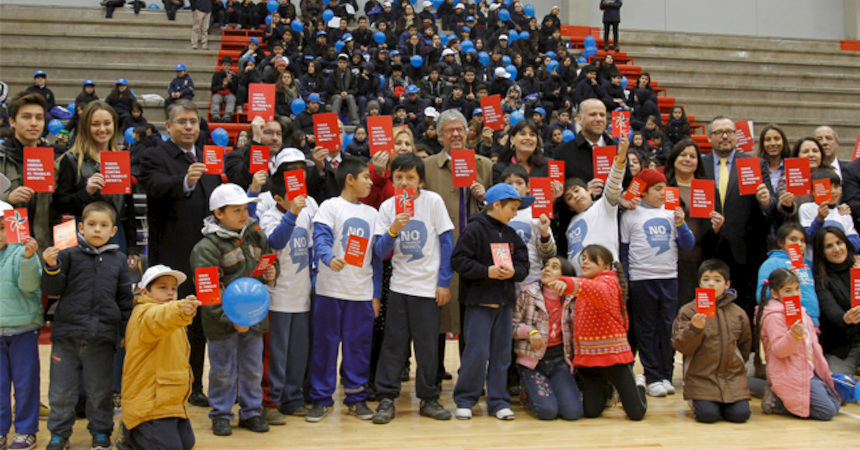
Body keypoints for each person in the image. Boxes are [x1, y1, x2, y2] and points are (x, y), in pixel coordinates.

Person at [139, 100, 223, 409]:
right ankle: (165, 384)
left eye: (193, 122)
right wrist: (185, 181)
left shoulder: (209, 156)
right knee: (172, 321)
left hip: (206, 257)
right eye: (182, 121)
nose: (189, 127)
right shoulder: (155, 156)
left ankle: (195, 384)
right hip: (172, 256)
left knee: (199, 322)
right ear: (168, 126)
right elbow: (155, 186)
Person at [41, 201, 134, 450]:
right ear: (80, 228)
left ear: (113, 231)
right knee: (61, 391)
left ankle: (101, 432)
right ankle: (59, 434)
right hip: (67, 336)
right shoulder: (67, 254)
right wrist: (51, 267)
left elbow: (125, 300)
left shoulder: (119, 260)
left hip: (102, 338)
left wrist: (125, 331)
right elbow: (52, 290)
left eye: (103, 225)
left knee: (100, 392)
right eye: (91, 224)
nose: (97, 229)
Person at [371, 154, 455, 424]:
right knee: (393, 345)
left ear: (420, 181)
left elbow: (447, 242)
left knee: (427, 347)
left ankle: (429, 398)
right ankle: (386, 398)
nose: (404, 182)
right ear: (392, 179)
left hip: (428, 288)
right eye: (398, 177)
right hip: (399, 287)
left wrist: (444, 281)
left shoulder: (433, 201)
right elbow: (380, 252)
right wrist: (393, 230)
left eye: (410, 177)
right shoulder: (387, 207)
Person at [189, 183, 278, 436]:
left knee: (253, 370)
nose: (244, 215)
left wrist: (272, 273)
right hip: (222, 324)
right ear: (218, 213)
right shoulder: (206, 248)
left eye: (245, 209)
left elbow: (268, 263)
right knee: (223, 371)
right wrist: (232, 319)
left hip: (255, 320)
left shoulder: (256, 235)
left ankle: (251, 412)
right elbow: (209, 293)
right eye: (236, 210)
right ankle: (221, 414)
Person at [307, 158, 382, 423]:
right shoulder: (330, 206)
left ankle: (356, 398)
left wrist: (376, 295)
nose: (370, 182)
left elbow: (377, 259)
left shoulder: (373, 214)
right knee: (324, 347)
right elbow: (320, 238)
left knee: (358, 348)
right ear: (350, 179)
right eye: (365, 177)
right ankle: (320, 399)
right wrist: (328, 257)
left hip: (360, 293)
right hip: (330, 291)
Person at [451, 183, 531, 421]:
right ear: (496, 205)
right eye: (512, 208)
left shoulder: (511, 234)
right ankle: (466, 399)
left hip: (505, 305)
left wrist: (513, 272)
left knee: (502, 355)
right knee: (476, 353)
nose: (515, 214)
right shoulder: (474, 229)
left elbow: (524, 265)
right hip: (479, 304)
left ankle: (498, 401)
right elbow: (459, 261)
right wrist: (487, 271)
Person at [422, 109, 492, 365]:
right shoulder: (427, 166)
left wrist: (483, 198)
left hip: (475, 251)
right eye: (449, 130)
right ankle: (435, 372)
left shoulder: (484, 165)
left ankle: (469, 372)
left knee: (470, 312)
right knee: (440, 311)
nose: (455, 134)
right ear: (440, 136)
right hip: (439, 250)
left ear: (467, 133)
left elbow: (496, 210)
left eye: (459, 129)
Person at [620, 168, 695, 397]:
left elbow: (688, 244)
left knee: (667, 327)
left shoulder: (671, 212)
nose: (663, 193)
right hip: (641, 279)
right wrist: (626, 282)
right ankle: (652, 375)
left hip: (669, 278)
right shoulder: (630, 215)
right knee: (647, 329)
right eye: (657, 189)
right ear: (643, 192)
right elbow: (624, 252)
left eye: (664, 188)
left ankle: (666, 374)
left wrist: (681, 224)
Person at [258, 150, 318, 421]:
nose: (298, 199)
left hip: (302, 295)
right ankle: (270, 401)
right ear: (278, 199)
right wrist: (292, 213)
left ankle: (292, 398)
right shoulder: (270, 216)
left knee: (297, 353)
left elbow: (312, 247)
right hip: (278, 297)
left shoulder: (307, 210)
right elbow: (275, 242)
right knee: (275, 354)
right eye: (291, 197)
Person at [559, 244, 647, 420]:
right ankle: (608, 390)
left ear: (606, 267)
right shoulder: (584, 285)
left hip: (614, 357)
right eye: (583, 258)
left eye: (591, 260)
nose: (585, 262)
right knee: (591, 412)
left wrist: (568, 282)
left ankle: (639, 385)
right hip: (590, 359)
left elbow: (598, 291)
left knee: (636, 414)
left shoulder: (609, 282)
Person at [118, 265, 201, 450]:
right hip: (149, 403)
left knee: (187, 443)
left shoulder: (175, 318)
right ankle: (129, 432)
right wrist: (180, 308)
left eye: (173, 288)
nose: (170, 292)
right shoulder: (144, 313)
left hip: (170, 400)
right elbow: (159, 317)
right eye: (162, 287)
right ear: (145, 292)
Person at [701, 116, 775, 319]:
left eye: (729, 132)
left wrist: (766, 201)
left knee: (744, 312)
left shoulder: (754, 164)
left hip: (746, 250)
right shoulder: (700, 164)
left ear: (736, 135)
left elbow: (771, 206)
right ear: (709, 138)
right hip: (709, 247)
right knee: (710, 312)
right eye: (719, 132)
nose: (725, 136)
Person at [671, 259, 752, 424]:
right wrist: (694, 329)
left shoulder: (738, 313)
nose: (711, 284)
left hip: (732, 379)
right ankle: (697, 401)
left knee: (740, 415)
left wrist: (737, 363)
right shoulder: (688, 311)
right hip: (701, 379)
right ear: (699, 283)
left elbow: (745, 345)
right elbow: (681, 346)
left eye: (717, 280)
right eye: (706, 279)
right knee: (708, 416)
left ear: (727, 284)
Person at [756, 268, 840, 420]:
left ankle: (784, 395)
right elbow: (779, 350)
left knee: (835, 406)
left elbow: (812, 345)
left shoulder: (801, 312)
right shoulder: (774, 316)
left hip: (808, 371)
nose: (794, 294)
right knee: (826, 412)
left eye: (797, 289)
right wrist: (793, 335)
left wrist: (823, 371)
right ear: (775, 293)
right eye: (788, 290)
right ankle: (776, 400)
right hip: (789, 373)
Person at [512, 256, 582, 421]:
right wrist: (529, 331)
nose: (547, 269)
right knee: (548, 412)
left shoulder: (572, 299)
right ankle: (528, 392)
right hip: (532, 363)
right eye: (546, 266)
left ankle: (549, 389)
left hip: (559, 362)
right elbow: (511, 325)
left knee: (573, 413)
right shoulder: (528, 293)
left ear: (565, 276)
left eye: (554, 267)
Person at [0, 199, 42, 450]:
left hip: (23, 329)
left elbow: (30, 286)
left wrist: (28, 259)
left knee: (26, 384)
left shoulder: (23, 252)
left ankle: (26, 430)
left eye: (1, 227)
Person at [663, 139, 724, 307]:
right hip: (670, 260)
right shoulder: (664, 187)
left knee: (701, 310)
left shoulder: (708, 190)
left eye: (692, 156)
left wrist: (717, 228)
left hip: (700, 260)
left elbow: (715, 232)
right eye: (683, 155)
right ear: (674, 158)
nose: (687, 159)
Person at [560, 135, 628, 274]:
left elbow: (613, 184)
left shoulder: (604, 206)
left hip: (605, 276)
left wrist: (620, 159)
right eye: (569, 197)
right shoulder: (570, 225)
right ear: (569, 207)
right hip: (580, 281)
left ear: (589, 190)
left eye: (577, 190)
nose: (575, 196)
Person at [0, 93, 53, 251]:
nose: (34, 123)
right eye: (26, 117)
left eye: (39, 118)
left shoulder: (52, 160)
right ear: (12, 121)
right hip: (6, 247)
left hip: (41, 246)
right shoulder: (1, 157)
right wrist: (7, 199)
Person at [812, 226, 860, 377]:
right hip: (843, 345)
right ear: (822, 252)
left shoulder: (858, 264)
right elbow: (829, 308)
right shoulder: (819, 277)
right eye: (829, 246)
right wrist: (845, 318)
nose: (837, 249)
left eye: (839, 243)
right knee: (837, 384)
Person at [799, 168, 860, 254]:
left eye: (836, 187)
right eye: (828, 187)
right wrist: (819, 219)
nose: (833, 191)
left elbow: (856, 242)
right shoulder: (807, 208)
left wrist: (839, 246)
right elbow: (807, 239)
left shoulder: (843, 212)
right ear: (814, 191)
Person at [492, 120, 549, 185]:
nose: (528, 138)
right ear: (512, 139)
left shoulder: (548, 166)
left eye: (532, 135)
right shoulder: (500, 169)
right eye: (523, 134)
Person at [210, 56, 238, 123]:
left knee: (231, 99)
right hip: (219, 93)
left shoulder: (234, 76)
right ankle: (215, 116)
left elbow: (235, 90)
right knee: (215, 98)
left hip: (229, 94)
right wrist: (223, 85)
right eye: (225, 65)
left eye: (228, 65)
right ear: (222, 65)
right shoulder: (216, 75)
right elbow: (213, 88)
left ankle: (227, 116)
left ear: (230, 66)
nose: (226, 67)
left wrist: (229, 82)